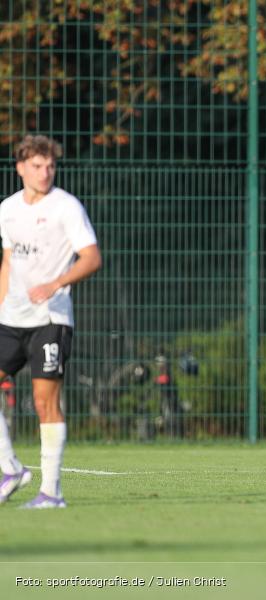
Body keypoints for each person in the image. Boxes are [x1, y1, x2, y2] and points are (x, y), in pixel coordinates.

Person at [0, 135, 102, 507]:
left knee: (45, 401)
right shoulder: (7, 209)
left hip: (51, 318)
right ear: (21, 168)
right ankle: (11, 469)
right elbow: (8, 262)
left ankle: (50, 491)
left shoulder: (66, 207)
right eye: (38, 166)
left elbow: (91, 258)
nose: (45, 173)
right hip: (11, 318)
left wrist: (56, 283)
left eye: (50, 166)